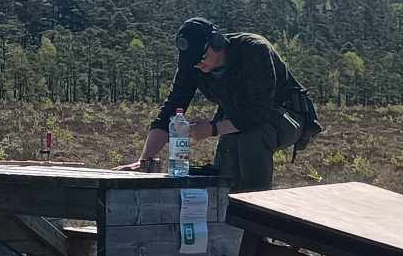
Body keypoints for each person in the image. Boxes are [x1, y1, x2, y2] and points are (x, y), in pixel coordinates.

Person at [120, 18, 318, 190]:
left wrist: (213, 129)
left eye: (202, 57)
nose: (198, 64)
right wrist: (143, 161)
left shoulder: (254, 49)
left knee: (252, 136)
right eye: (192, 62)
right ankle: (228, 217)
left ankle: (257, 220)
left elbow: (259, 111)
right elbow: (171, 109)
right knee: (228, 160)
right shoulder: (192, 64)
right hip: (239, 119)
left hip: (287, 115)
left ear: (216, 42)